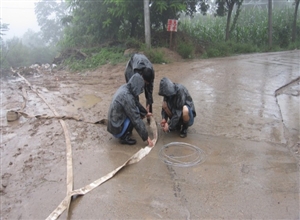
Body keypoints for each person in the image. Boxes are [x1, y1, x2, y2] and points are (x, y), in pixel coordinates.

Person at [107, 74, 153, 146]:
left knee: (136, 110)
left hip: (113, 124)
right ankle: (124, 137)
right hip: (116, 129)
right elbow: (136, 118)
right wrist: (146, 137)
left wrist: (145, 113)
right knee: (135, 113)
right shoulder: (127, 97)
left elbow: (136, 102)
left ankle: (126, 132)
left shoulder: (126, 87)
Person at [124, 53, 155, 122]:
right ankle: (136, 117)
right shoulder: (136, 73)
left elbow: (150, 91)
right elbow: (134, 94)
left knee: (149, 92)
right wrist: (142, 111)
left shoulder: (151, 73)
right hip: (131, 68)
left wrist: (149, 104)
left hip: (142, 64)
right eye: (145, 82)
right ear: (142, 76)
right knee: (133, 95)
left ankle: (149, 117)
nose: (146, 84)